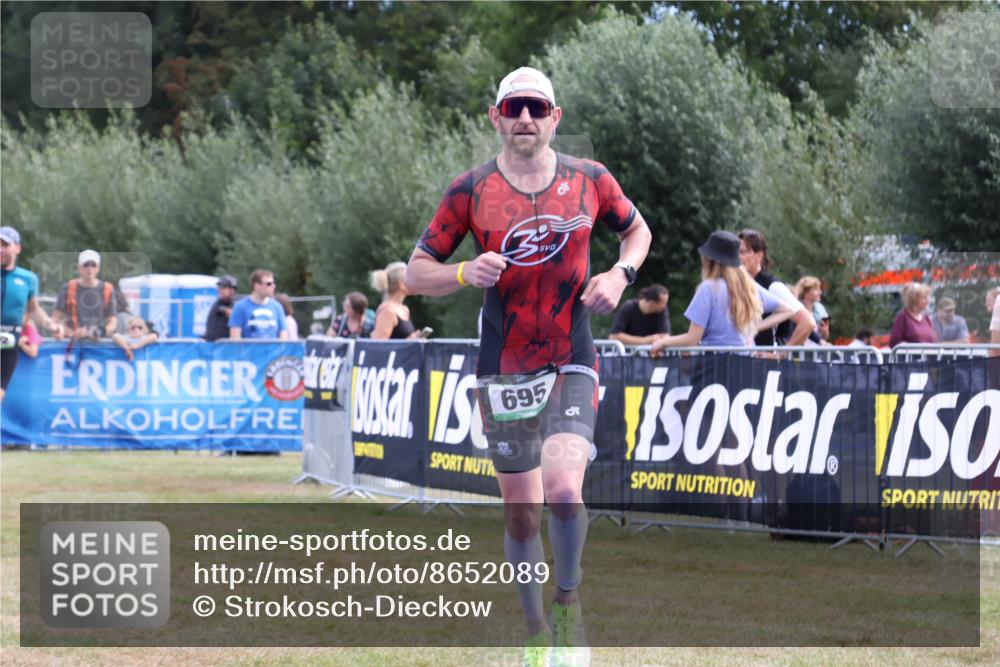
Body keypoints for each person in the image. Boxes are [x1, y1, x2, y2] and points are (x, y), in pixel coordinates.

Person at [405, 66, 651, 666]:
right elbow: (414, 273)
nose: (524, 119)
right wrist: (465, 271)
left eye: (536, 108)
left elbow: (637, 231)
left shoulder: (590, 179)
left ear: (554, 118)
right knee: (522, 513)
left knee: (564, 491)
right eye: (513, 107)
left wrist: (619, 276)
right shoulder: (469, 190)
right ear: (495, 116)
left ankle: (567, 609)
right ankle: (536, 628)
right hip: (504, 367)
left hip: (572, 356)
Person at [651, 231, 793, 356]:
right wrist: (753, 328)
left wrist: (664, 342)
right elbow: (787, 310)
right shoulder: (749, 286)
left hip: (714, 367)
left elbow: (692, 339)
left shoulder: (708, 288)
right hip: (746, 365)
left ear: (709, 259)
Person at [1, 227, 64, 400]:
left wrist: (50, 325)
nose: (0, 249)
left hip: (9, 341)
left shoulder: (28, 278)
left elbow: (34, 309)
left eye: (5, 245)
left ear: (17, 248)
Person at [737, 229, 815, 346]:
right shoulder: (737, 283)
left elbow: (807, 322)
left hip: (763, 361)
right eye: (737, 252)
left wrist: (781, 354)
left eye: (744, 252)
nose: (739, 257)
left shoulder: (773, 286)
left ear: (759, 255)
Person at [53, 249, 129, 338]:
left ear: (98, 268)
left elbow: (112, 321)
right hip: (72, 342)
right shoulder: (68, 287)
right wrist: (69, 332)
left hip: (99, 343)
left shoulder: (108, 289)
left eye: (93, 265)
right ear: (79, 268)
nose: (90, 269)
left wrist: (99, 332)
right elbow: (56, 318)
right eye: (86, 265)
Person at [228, 269, 288, 340]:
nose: (273, 286)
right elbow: (235, 338)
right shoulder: (240, 307)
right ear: (257, 286)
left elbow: (283, 335)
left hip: (272, 351)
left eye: (273, 283)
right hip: (250, 351)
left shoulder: (277, 307)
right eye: (269, 284)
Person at [371, 262, 423, 340]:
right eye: (410, 279)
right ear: (401, 284)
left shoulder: (404, 309)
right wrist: (408, 342)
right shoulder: (387, 310)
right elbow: (377, 347)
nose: (414, 282)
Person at [889, 282, 938, 347]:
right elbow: (894, 343)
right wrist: (913, 348)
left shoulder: (926, 319)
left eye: (927, 298)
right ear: (914, 299)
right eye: (924, 298)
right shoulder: (903, 318)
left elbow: (935, 341)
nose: (927, 301)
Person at [204, 275, 238, 342]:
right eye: (220, 288)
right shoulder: (218, 305)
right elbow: (227, 311)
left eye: (223, 288)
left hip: (224, 347)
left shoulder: (234, 305)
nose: (220, 290)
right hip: (214, 346)